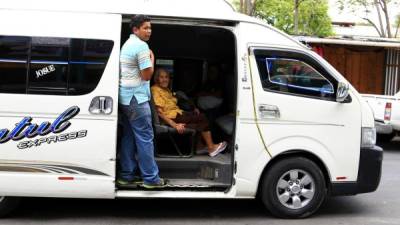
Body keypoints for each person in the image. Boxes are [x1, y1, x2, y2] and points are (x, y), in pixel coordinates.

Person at [118, 15, 166, 188]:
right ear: (135, 29)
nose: (149, 31)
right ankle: (151, 178)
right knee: (145, 138)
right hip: (136, 100)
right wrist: (152, 60)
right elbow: (147, 76)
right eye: (145, 28)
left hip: (126, 98)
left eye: (150, 28)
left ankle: (126, 175)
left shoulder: (127, 44)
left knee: (129, 137)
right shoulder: (141, 46)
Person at [151, 68, 227, 157]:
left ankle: (199, 147)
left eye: (166, 77)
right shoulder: (155, 90)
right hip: (172, 118)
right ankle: (211, 147)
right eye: (162, 77)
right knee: (202, 118)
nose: (165, 79)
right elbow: (160, 113)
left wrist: (192, 110)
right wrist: (175, 125)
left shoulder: (166, 90)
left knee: (198, 117)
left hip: (177, 114)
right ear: (157, 78)